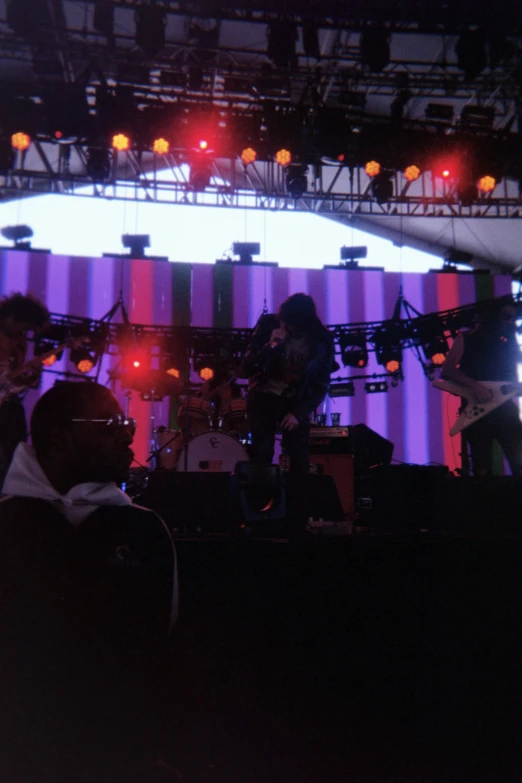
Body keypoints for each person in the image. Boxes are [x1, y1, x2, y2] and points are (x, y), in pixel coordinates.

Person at [0, 381, 178, 781]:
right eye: (110, 423)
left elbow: (164, 650)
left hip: (117, 758)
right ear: (61, 435)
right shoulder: (6, 523)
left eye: (126, 422)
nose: (128, 434)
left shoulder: (145, 530)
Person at [239, 293, 334, 520]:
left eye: (291, 324)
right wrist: (270, 345)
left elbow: (320, 384)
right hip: (262, 398)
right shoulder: (269, 326)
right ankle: (260, 512)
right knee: (262, 454)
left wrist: (299, 413)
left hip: (294, 402)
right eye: (285, 322)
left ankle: (297, 517)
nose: (287, 327)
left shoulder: (321, 340)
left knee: (299, 459)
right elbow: (245, 369)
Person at [441, 297, 522, 477]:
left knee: (519, 460)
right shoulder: (466, 339)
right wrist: (475, 386)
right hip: (477, 411)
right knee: (481, 466)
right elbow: (446, 370)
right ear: (493, 316)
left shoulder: (509, 343)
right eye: (506, 317)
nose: (510, 322)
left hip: (506, 409)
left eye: (513, 318)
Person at [0, 292, 49, 483]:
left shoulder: (19, 344)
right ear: (11, 318)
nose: (24, 335)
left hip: (9, 411)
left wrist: (31, 377)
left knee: (10, 465)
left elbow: (13, 380)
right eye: (23, 328)